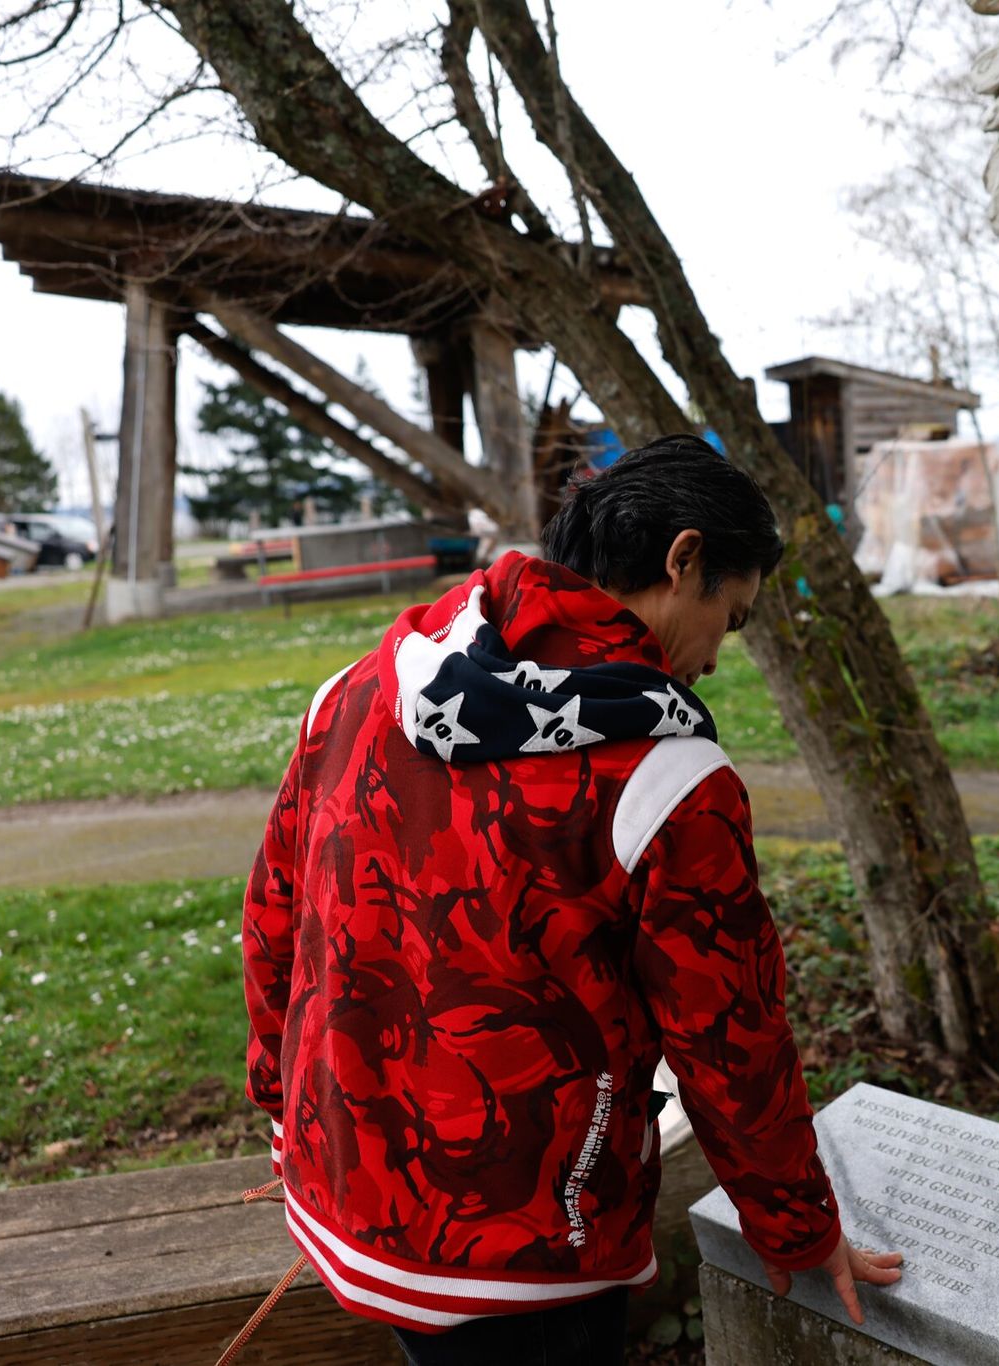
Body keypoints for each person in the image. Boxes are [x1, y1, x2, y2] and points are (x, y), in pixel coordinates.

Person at [241, 434, 901, 1365]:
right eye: (734, 615)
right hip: (530, 1253)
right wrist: (798, 1230)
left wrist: (284, 1109)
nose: (717, 657)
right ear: (684, 560)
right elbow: (731, 1042)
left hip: (348, 1196)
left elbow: (275, 917)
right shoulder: (667, 780)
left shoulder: (359, 691)